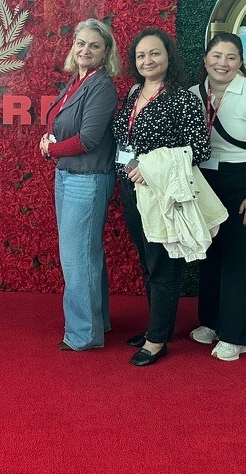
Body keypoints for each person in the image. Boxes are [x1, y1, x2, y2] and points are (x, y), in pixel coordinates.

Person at [112, 28, 212, 367]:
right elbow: (123, 140)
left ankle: (157, 340)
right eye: (141, 55)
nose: (148, 60)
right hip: (131, 190)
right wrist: (132, 170)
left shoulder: (182, 99)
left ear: (169, 56)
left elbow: (199, 150)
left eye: (155, 53)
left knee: (162, 265)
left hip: (162, 194)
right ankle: (157, 327)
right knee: (147, 262)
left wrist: (152, 168)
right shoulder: (134, 94)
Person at [189, 32, 246, 361]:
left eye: (231, 57)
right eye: (216, 56)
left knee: (240, 258)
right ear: (205, 60)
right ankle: (212, 323)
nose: (222, 63)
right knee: (211, 254)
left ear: (240, 62)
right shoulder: (192, 95)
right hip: (206, 182)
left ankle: (236, 336)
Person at [40, 19, 120, 351]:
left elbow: (87, 140)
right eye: (81, 43)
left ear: (105, 52)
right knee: (86, 254)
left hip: (87, 179)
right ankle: (96, 322)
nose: (85, 50)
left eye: (94, 45)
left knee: (77, 257)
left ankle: (83, 335)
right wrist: (51, 141)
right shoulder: (78, 80)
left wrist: (51, 149)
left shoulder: (101, 86)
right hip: (69, 175)